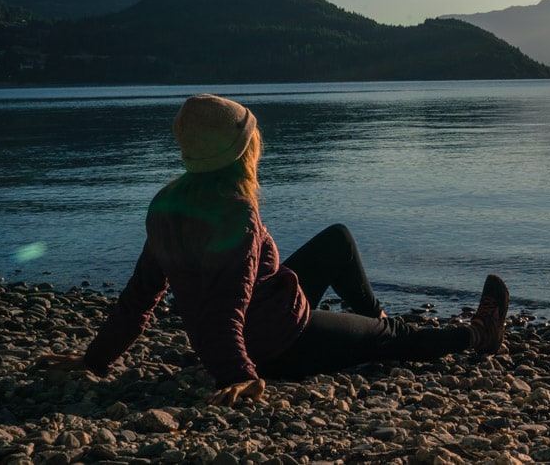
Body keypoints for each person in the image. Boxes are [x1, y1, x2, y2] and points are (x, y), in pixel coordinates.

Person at [39, 93, 508, 406]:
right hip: (278, 344)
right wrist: (237, 376)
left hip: (258, 319)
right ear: (241, 149)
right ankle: (477, 334)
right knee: (396, 337)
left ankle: (371, 324)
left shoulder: (169, 202)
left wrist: (94, 360)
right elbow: (227, 307)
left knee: (337, 240)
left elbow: (139, 295)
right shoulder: (235, 213)